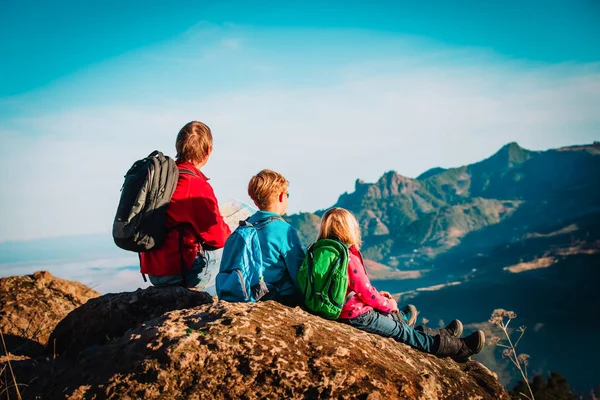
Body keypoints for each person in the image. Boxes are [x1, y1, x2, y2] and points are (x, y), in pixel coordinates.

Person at [318, 207, 485, 362]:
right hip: (354, 315)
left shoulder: (319, 250)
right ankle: (459, 348)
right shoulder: (348, 257)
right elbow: (366, 293)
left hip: (336, 309)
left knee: (399, 326)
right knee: (403, 331)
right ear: (349, 229)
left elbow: (345, 287)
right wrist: (389, 304)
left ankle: (443, 336)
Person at [141, 121, 231, 288]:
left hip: (153, 270)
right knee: (234, 244)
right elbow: (218, 238)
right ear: (208, 149)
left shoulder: (162, 178)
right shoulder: (195, 185)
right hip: (179, 271)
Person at [241, 169, 306, 305]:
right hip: (277, 297)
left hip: (247, 293)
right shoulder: (284, 230)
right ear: (282, 196)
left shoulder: (244, 226)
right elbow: (299, 273)